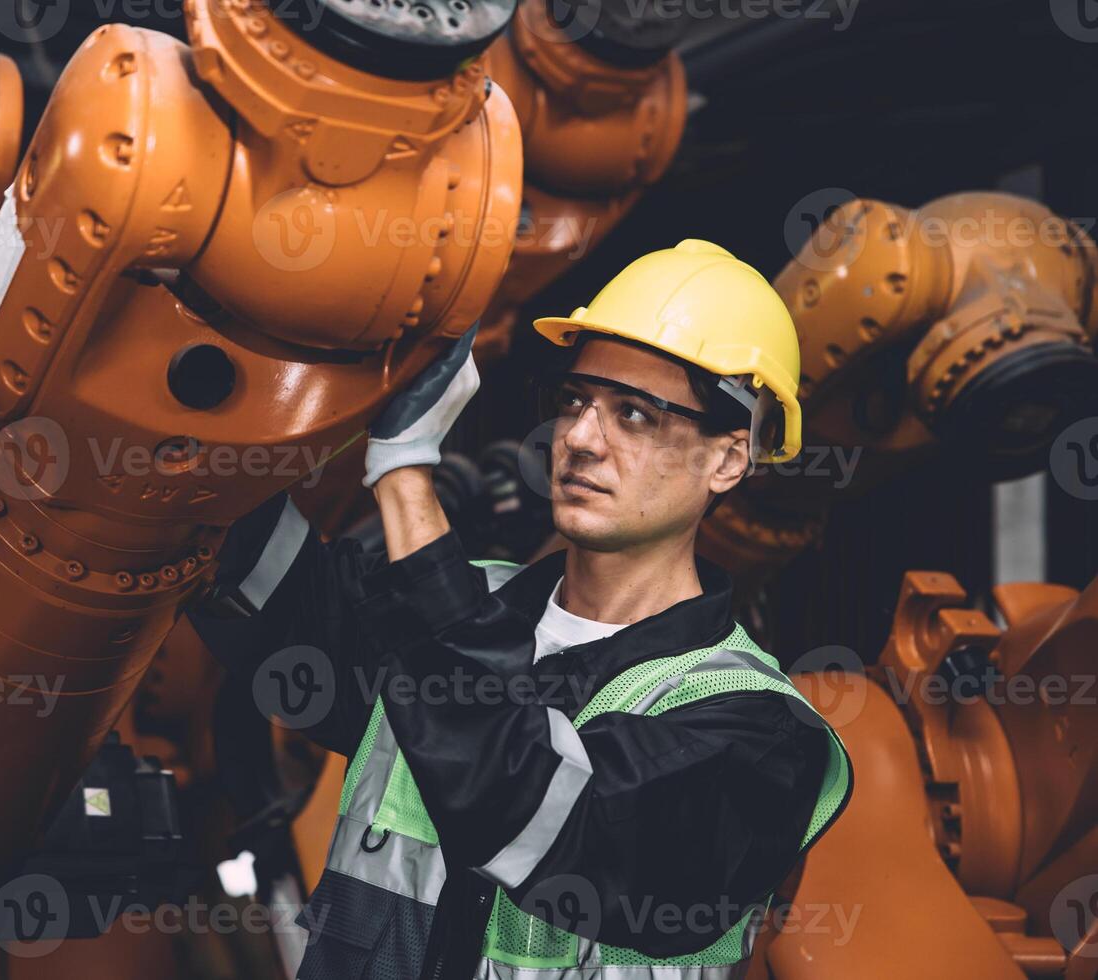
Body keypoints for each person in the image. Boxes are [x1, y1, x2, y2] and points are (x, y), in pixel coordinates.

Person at [191, 240, 854, 980]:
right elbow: (270, 598)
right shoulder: (454, 605)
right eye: (575, 401)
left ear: (728, 459)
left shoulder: (758, 733)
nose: (578, 438)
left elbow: (542, 808)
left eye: (634, 415)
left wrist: (406, 478)